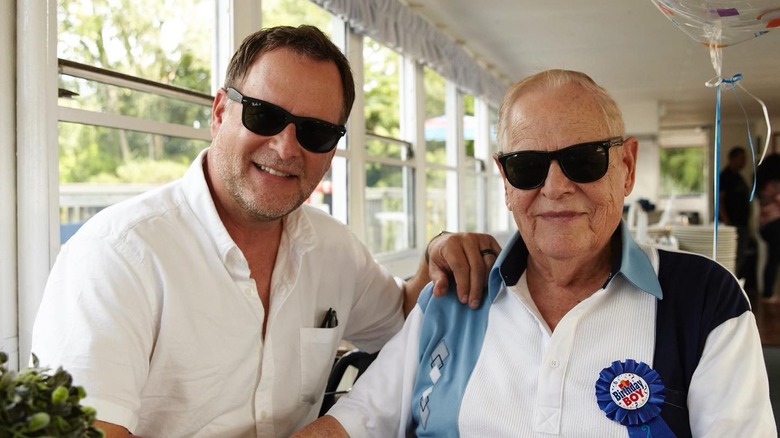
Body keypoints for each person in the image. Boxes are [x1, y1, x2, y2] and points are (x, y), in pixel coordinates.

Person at [30, 25, 500, 438]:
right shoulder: (117, 256)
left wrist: (438, 251)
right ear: (219, 112)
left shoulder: (333, 249)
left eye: (315, 132)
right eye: (264, 115)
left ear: (332, 149)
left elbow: (402, 319)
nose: (285, 146)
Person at [294, 69, 776, 437]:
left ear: (625, 166)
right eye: (527, 166)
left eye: (583, 160)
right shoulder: (454, 297)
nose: (556, 187)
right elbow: (355, 422)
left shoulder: (706, 302)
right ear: (506, 181)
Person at [719, 145, 756, 291]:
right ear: (732, 159)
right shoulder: (725, 177)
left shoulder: (739, 177)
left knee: (740, 258)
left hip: (742, 223)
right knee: (732, 257)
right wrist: (726, 221)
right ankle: (730, 288)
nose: (744, 162)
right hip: (732, 225)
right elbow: (720, 200)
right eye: (741, 158)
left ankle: (736, 287)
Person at [757, 154, 780, 301]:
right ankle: (768, 293)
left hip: (766, 225)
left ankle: (768, 292)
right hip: (775, 224)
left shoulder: (763, 184)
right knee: (773, 259)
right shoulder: (773, 185)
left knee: (772, 258)